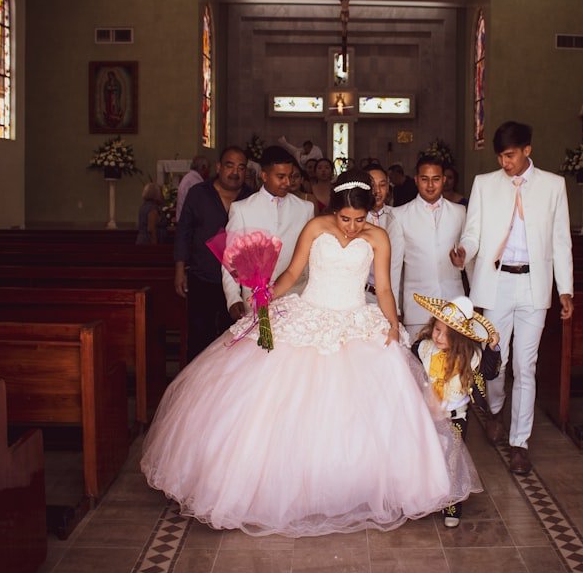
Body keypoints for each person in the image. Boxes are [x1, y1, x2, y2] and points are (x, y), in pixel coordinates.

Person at [141, 169, 481, 536]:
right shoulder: (316, 228)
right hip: (309, 313)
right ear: (333, 210)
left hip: (356, 319)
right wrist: (265, 296)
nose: (351, 227)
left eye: (359, 220)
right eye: (345, 218)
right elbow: (292, 274)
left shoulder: (379, 237)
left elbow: (383, 287)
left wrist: (393, 323)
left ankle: (360, 486)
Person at [451, 120, 574, 476]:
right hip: (497, 283)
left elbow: (561, 241)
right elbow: (472, 232)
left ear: (526, 151)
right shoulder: (485, 185)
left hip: (534, 285)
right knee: (495, 360)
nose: (504, 163)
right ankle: (495, 408)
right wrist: (463, 251)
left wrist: (565, 289)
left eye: (510, 155)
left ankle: (520, 443)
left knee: (526, 366)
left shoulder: (553, 186)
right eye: (501, 157)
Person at [410, 293, 499, 528]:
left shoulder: (471, 357)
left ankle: (452, 504)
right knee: (424, 456)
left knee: (452, 459)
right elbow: (407, 367)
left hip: (454, 418)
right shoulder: (424, 349)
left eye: (447, 334)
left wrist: (492, 348)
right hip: (425, 417)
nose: (439, 337)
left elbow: (490, 373)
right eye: (437, 330)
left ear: (460, 339)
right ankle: (422, 498)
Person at [174, 146, 252, 362]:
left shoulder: (251, 197)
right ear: (218, 167)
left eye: (241, 167)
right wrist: (180, 269)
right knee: (200, 336)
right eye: (229, 165)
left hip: (239, 283)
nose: (235, 172)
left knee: (236, 339)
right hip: (203, 275)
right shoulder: (199, 193)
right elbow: (184, 232)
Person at [223, 146, 315, 321]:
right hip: (255, 300)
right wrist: (233, 298)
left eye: (290, 176)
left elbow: (310, 259)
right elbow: (231, 260)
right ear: (264, 176)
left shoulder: (305, 209)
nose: (287, 182)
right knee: (262, 347)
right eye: (281, 177)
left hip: (296, 298)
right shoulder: (242, 209)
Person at [393, 155, 466, 339]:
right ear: (416, 180)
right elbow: (395, 268)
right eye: (425, 179)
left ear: (443, 180)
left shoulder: (459, 212)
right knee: (417, 364)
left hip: (453, 303)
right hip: (418, 307)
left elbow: (468, 258)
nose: (430, 185)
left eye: (435, 179)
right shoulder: (400, 215)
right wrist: (395, 307)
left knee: (453, 364)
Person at [363, 163, 404, 313]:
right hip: (362, 296)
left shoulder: (399, 216)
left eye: (382, 185)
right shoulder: (353, 220)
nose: (377, 191)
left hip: (392, 295)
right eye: (372, 186)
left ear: (388, 187)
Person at [174, 155, 207, 223]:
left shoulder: (189, 177)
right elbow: (199, 206)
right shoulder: (195, 181)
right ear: (203, 167)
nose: (209, 171)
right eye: (208, 168)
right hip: (189, 222)